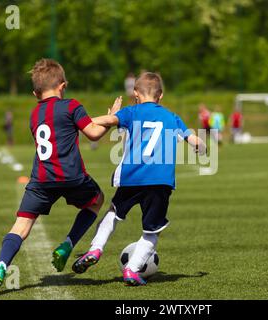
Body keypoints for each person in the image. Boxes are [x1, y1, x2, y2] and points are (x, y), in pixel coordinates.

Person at [0, 58, 123, 294]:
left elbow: (63, 126)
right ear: (63, 85)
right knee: (96, 200)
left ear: (35, 93)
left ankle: (0, 266)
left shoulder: (34, 115)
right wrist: (111, 118)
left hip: (41, 179)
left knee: (21, 225)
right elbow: (93, 133)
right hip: (72, 177)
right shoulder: (71, 106)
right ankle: (67, 244)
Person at [71, 72, 206, 286]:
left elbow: (107, 120)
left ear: (135, 93)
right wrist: (202, 146)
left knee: (114, 213)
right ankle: (132, 270)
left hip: (132, 177)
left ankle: (96, 249)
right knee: (151, 231)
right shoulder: (172, 117)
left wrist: (79, 121)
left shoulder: (131, 112)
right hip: (160, 181)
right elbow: (194, 139)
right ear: (160, 95)